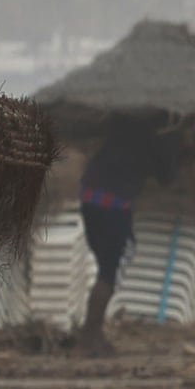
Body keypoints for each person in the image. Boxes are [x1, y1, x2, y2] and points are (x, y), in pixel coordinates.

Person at [70, 132, 156, 345]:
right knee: (111, 269)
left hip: (89, 199)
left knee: (105, 267)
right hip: (114, 204)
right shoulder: (159, 136)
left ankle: (90, 330)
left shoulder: (121, 126)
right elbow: (166, 174)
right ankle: (91, 332)